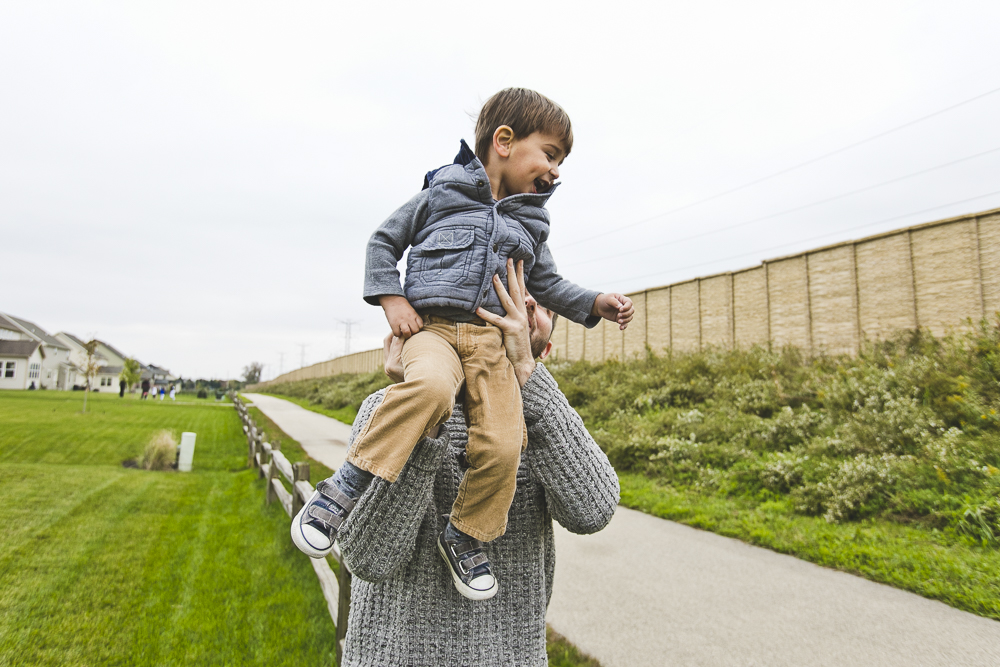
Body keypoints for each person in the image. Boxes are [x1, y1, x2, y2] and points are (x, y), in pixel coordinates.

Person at [292, 88, 632, 600]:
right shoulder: (440, 194)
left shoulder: (532, 224)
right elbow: (384, 241)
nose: (557, 171)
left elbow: (549, 285)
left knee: (504, 440)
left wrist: (594, 302)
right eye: (551, 155)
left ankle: (466, 533)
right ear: (504, 141)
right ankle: (342, 489)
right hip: (431, 332)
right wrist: (393, 300)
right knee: (428, 391)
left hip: (492, 348)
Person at [336, 264, 619, 666]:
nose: (520, 301)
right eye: (499, 289)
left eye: (536, 305)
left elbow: (594, 510)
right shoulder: (382, 409)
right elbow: (368, 557)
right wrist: (419, 410)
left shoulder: (542, 417)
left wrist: (526, 377)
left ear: (546, 347)